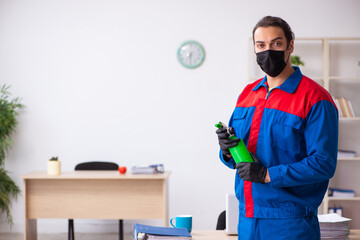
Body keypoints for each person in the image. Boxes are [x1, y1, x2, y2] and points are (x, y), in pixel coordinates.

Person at [216, 16, 338, 240]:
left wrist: (267, 175)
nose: (267, 51)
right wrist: (227, 150)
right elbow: (242, 160)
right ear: (254, 48)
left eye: (276, 43)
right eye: (261, 45)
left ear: (290, 46)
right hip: (247, 219)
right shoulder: (248, 94)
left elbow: (324, 163)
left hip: (291, 224)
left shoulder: (315, 98)